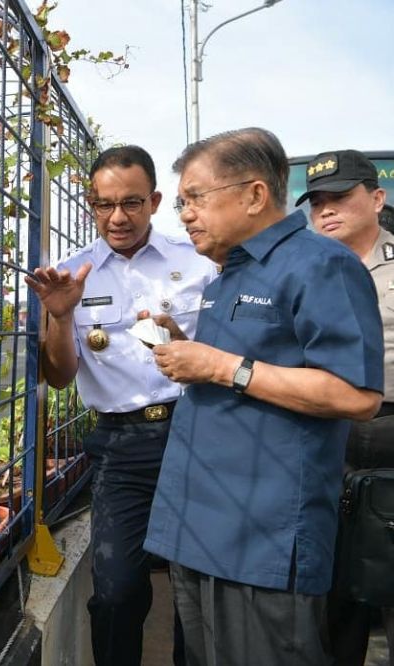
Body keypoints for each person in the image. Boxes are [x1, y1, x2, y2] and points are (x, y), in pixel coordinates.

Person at [143, 128, 385, 666]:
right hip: (200, 522)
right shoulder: (228, 274)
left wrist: (223, 365)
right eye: (182, 202)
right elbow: (245, 369)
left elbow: (356, 393)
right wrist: (189, 354)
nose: (184, 213)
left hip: (261, 536)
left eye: (195, 198)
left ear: (254, 194)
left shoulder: (320, 264)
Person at [25, 145, 218, 666]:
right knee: (115, 591)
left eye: (132, 202)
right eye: (103, 204)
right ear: (90, 205)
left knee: (194, 591)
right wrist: (62, 319)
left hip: (194, 433)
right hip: (120, 444)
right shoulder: (70, 276)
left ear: (155, 201)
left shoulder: (197, 263)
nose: (117, 217)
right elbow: (61, 377)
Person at [300, 148, 394, 666]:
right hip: (328, 437)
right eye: (317, 203)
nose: (326, 211)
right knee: (335, 585)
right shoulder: (305, 270)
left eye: (339, 197)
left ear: (376, 199)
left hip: (390, 433)